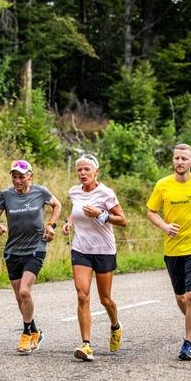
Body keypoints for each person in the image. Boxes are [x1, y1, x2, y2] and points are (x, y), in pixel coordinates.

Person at [146, 143, 191, 361]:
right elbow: (151, 212)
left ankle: (187, 343)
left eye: (184, 158)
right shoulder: (163, 185)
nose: (180, 162)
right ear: (173, 160)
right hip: (173, 250)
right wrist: (165, 227)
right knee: (180, 298)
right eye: (176, 158)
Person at [0, 159, 61, 353]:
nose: (17, 180)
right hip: (13, 250)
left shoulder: (40, 192)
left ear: (30, 176)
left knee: (24, 292)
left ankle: (26, 334)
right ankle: (36, 331)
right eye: (14, 176)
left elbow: (57, 205)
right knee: (19, 297)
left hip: (36, 247)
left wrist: (51, 225)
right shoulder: (6, 195)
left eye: (21, 176)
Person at [62, 154, 127, 361]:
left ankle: (115, 325)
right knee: (82, 295)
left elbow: (122, 220)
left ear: (96, 172)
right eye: (79, 170)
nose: (82, 173)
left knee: (105, 299)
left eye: (86, 170)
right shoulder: (74, 192)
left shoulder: (106, 193)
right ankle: (86, 345)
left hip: (104, 250)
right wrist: (69, 222)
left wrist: (101, 214)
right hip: (81, 249)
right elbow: (76, 210)